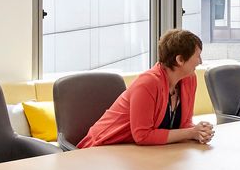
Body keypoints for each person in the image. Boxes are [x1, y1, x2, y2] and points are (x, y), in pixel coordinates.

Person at [79, 29, 216, 148]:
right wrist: (191, 132)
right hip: (102, 148)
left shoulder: (188, 80)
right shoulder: (147, 83)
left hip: (134, 152)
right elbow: (143, 135)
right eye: (197, 56)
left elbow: (184, 124)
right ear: (180, 60)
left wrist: (199, 132)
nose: (200, 61)